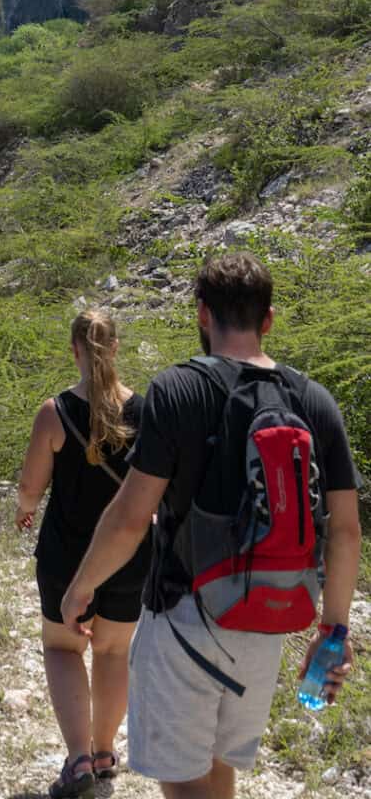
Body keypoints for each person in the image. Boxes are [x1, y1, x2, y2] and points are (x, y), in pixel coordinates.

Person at [61, 253, 362, 799]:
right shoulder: (314, 400)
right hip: (266, 623)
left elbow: (131, 517)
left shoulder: (179, 389)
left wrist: (82, 586)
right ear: (268, 319)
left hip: (187, 617)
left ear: (202, 313)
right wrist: (333, 632)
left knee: (185, 782)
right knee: (219, 769)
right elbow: (344, 531)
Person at [16, 310, 151, 799]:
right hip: (131, 554)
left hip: (67, 555)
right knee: (113, 651)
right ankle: (105, 753)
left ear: (73, 350)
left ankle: (78, 762)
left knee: (62, 648)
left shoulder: (53, 412)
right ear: (115, 347)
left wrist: (24, 509)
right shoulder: (146, 410)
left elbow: (30, 488)